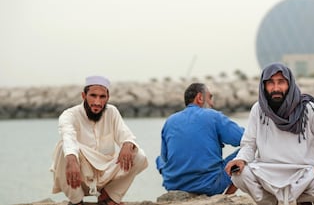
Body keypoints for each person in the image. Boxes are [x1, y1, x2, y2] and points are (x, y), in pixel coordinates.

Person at [225, 62, 314, 205]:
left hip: (302, 175)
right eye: (271, 83)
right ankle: (283, 201)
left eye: (281, 82)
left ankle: (279, 201)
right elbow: (249, 144)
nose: (276, 88)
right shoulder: (258, 109)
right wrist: (241, 159)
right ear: (264, 85)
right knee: (238, 176)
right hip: (267, 173)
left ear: (290, 84)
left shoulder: (308, 109)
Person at [50, 76, 148, 205]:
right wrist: (72, 159)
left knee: (139, 155)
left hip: (105, 175)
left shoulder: (112, 112)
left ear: (107, 98)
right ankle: (76, 201)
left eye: (102, 97)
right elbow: (68, 136)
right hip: (78, 176)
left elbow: (125, 134)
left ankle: (108, 197)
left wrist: (127, 144)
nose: (97, 102)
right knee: (64, 148)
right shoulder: (69, 115)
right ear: (84, 96)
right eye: (93, 96)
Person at [155, 83, 244, 196]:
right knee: (249, 149)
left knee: (159, 159)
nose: (212, 103)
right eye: (210, 97)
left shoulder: (170, 120)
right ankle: (227, 196)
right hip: (209, 186)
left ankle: (177, 180)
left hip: (173, 185)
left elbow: (165, 157)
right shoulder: (213, 116)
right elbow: (245, 138)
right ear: (200, 98)